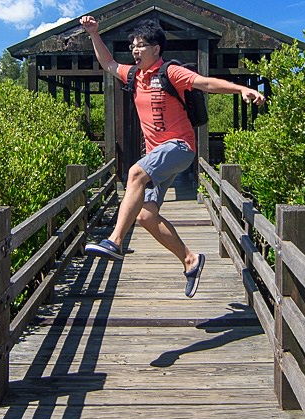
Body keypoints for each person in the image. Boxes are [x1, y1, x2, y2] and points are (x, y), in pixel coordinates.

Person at [80, 15, 266, 297]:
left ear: (156, 49)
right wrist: (94, 34)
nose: (135, 50)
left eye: (141, 45)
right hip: (158, 155)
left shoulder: (170, 73)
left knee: (134, 173)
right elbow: (108, 64)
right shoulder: (134, 76)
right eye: (133, 46)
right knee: (144, 215)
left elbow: (206, 83)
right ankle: (190, 260)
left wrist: (241, 88)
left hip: (180, 147)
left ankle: (115, 241)